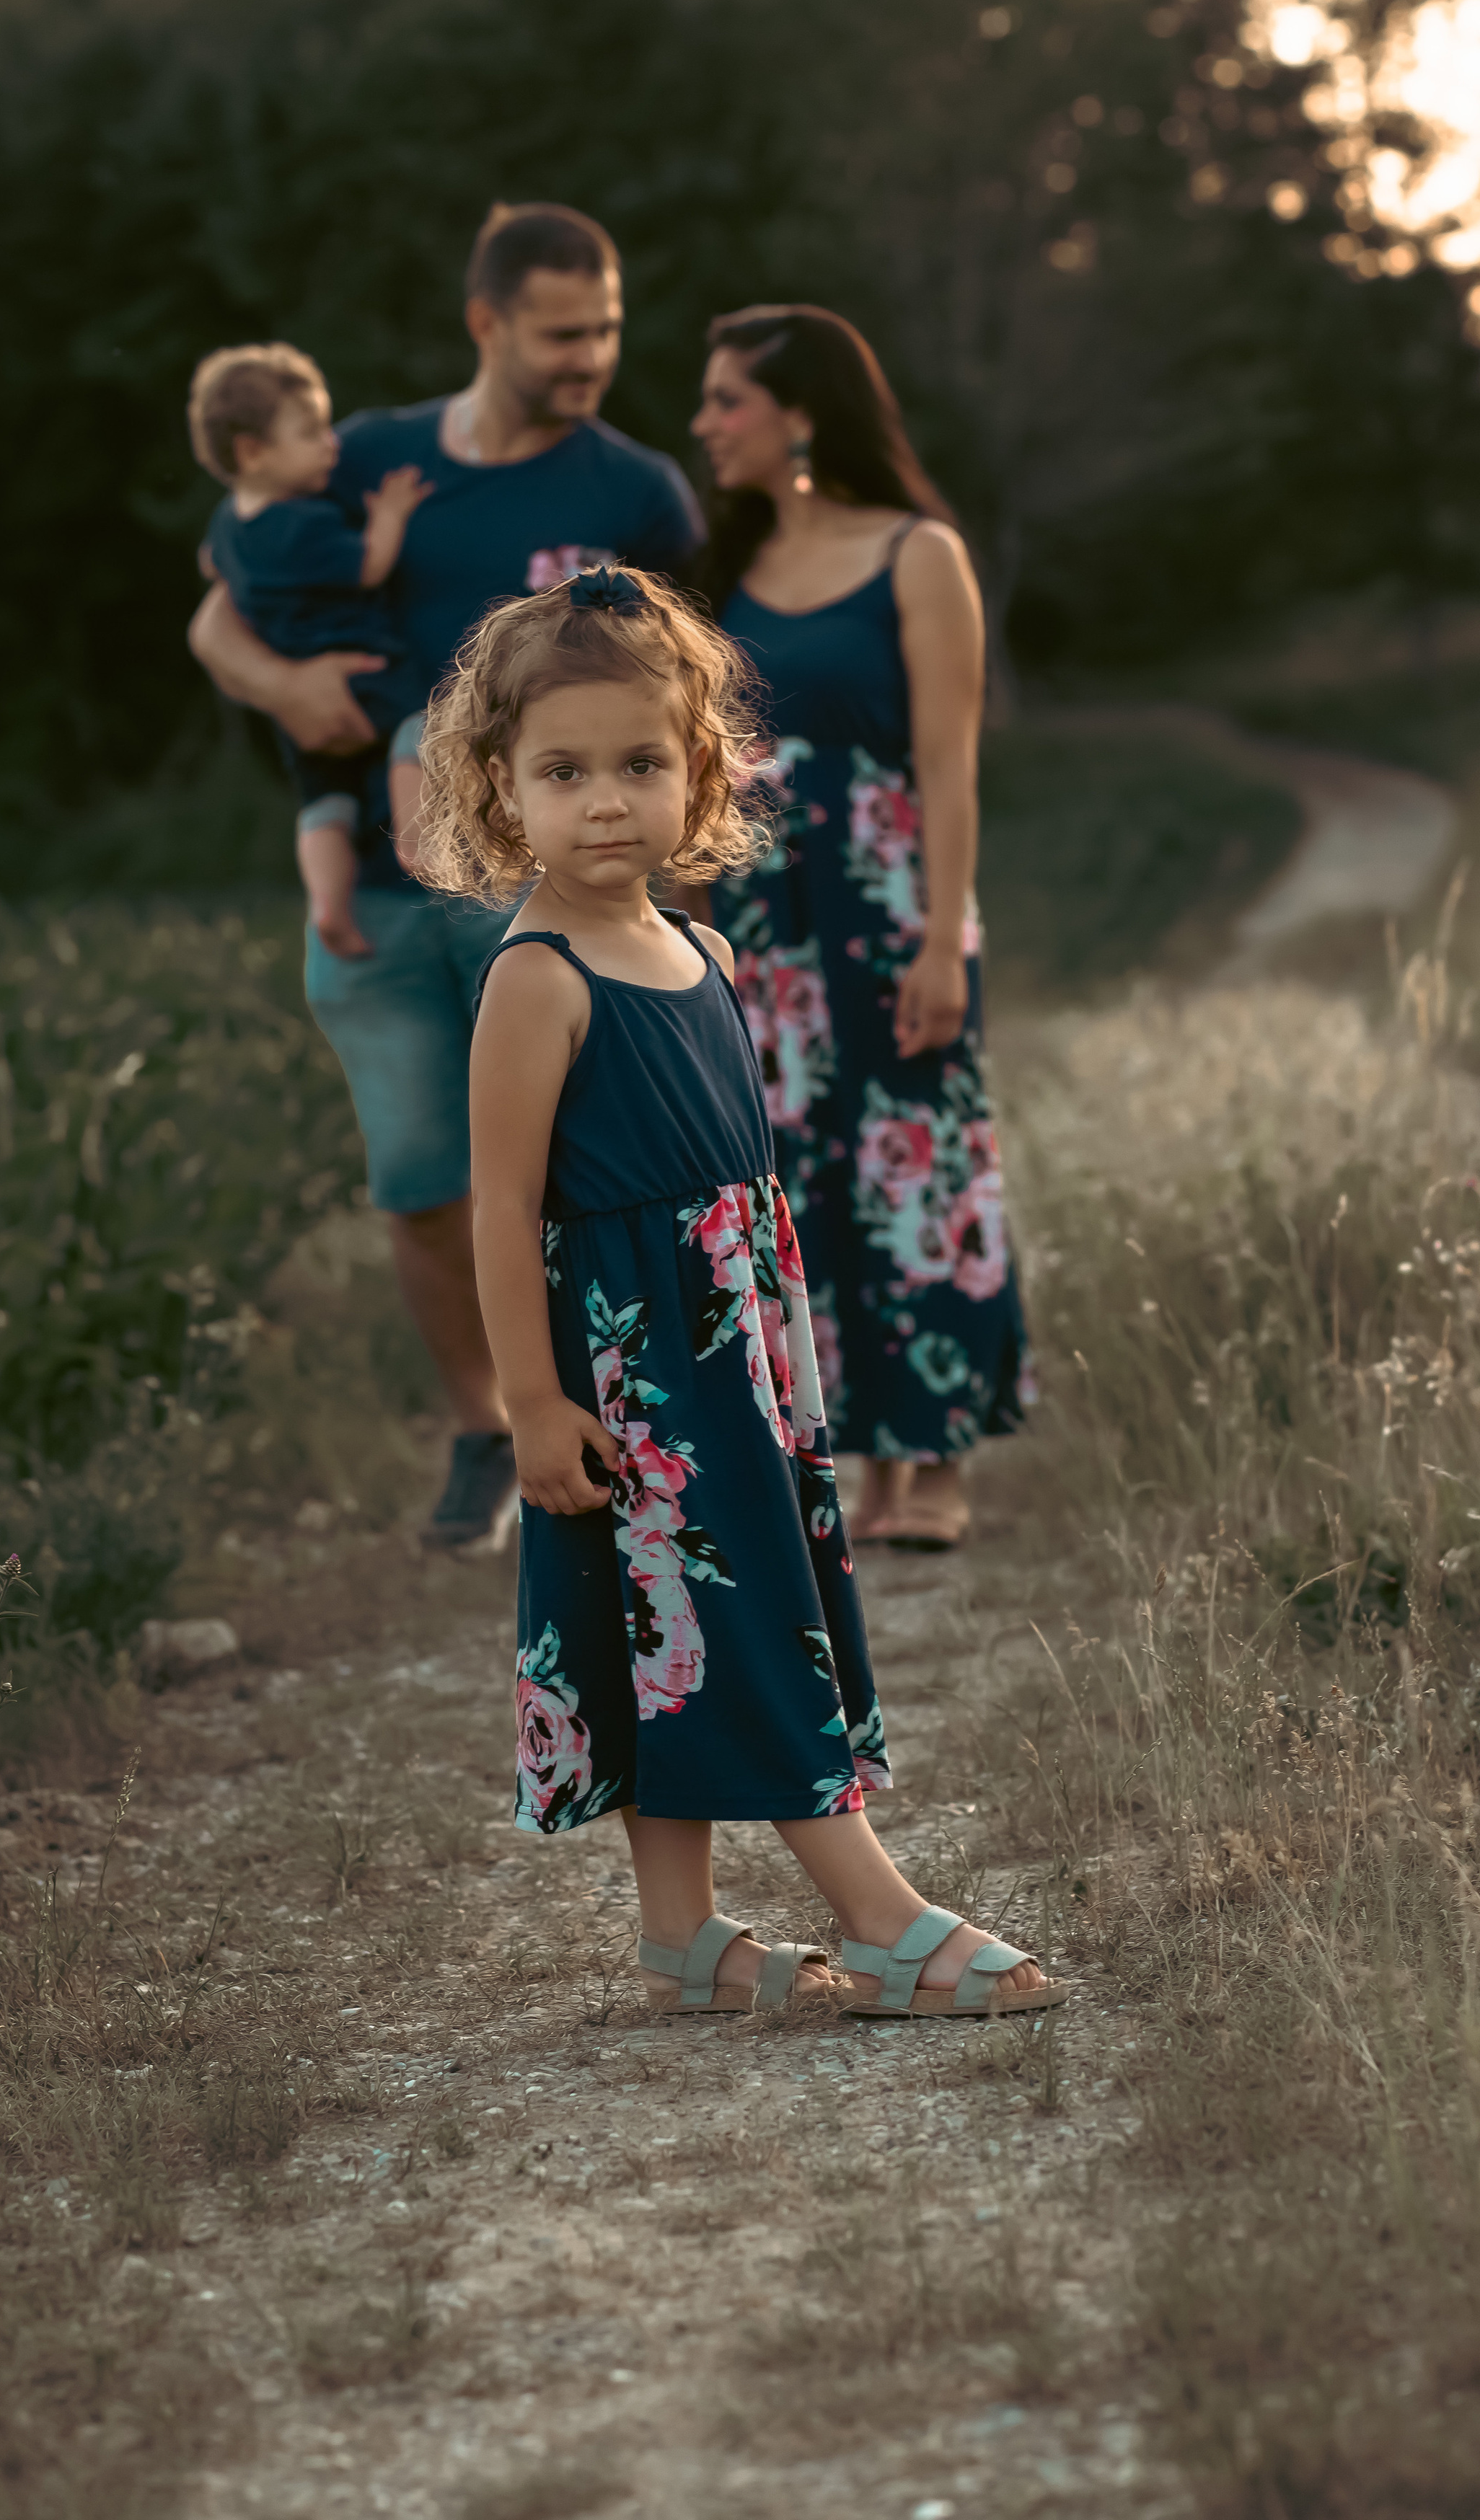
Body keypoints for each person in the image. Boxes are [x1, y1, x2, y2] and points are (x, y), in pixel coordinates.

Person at [409, 560, 1065, 2017]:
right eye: (562, 771)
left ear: (697, 771)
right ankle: (877, 1909)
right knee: (740, 1622)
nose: (602, 802)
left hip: (738, 1361)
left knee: (679, 1632)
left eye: (640, 764)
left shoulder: (702, 949)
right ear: (499, 786)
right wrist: (528, 1404)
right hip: (637, 1376)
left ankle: (680, 1932)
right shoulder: (535, 977)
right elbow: (504, 1208)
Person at [187, 204, 700, 1549]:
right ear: (487, 324)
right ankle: (482, 1427)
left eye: (608, 327)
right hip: (371, 880)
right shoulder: (367, 458)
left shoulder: (637, 494)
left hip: (543, 898)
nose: (592, 355)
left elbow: (686, 691)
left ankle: (610, 1426)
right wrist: (286, 686)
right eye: (562, 331)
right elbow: (211, 603)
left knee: (580, 1170)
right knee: (420, 1178)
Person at [691, 305, 1031, 1552]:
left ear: (802, 412)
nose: (705, 423)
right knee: (796, 1178)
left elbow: (949, 763)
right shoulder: (723, 571)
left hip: (891, 904)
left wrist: (945, 939)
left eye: (727, 399)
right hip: (761, 916)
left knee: (918, 1159)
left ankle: (933, 1459)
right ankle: (851, 1465)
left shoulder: (916, 552)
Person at [188, 340, 433, 960]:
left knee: (326, 800)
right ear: (252, 451)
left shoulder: (228, 527)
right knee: (421, 725)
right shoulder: (305, 523)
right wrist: (392, 514)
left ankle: (328, 905)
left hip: (297, 711)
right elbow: (371, 566)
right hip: (362, 669)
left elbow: (214, 568)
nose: (332, 444)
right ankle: (416, 838)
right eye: (311, 431)